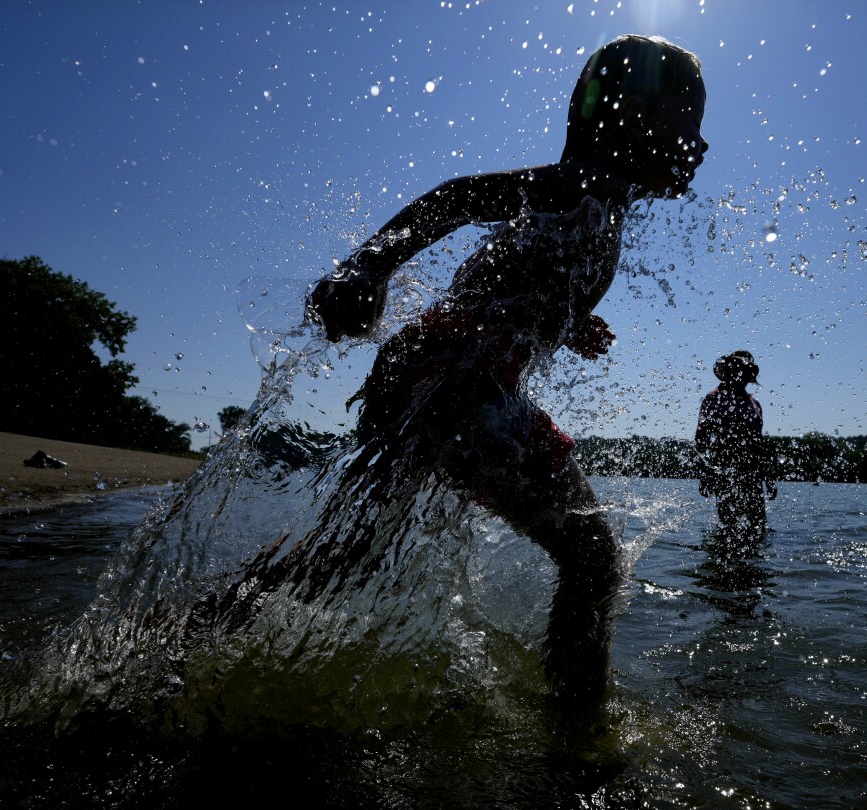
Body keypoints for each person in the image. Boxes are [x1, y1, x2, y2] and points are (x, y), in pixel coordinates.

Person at [302, 35, 709, 712]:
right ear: (628, 114)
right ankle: (577, 741)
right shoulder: (584, 183)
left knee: (346, 559)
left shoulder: (596, 203)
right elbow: (456, 198)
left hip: (429, 373)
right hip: (455, 379)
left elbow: (510, 278)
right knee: (592, 560)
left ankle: (193, 628)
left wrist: (565, 319)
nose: (696, 141)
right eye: (688, 118)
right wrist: (368, 266)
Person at [695, 350, 777, 536]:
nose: (742, 376)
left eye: (747, 372)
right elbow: (702, 439)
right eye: (737, 371)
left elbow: (759, 443)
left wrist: (769, 478)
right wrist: (706, 472)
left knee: (758, 529)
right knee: (729, 529)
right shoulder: (713, 398)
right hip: (725, 472)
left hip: (753, 475)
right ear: (727, 372)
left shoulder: (754, 404)